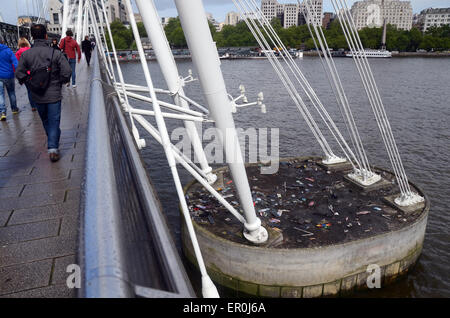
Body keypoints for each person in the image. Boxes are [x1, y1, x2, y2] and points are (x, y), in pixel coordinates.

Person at [16, 24, 71, 162]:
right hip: (53, 93)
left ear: (32, 37)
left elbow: (19, 73)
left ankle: (52, 142)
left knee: (46, 120)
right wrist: (60, 82)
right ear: (46, 36)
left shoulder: (26, 54)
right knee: (54, 121)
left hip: (37, 94)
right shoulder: (55, 53)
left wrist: (29, 83)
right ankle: (52, 147)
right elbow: (67, 72)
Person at [15, 37, 37, 112]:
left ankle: (33, 106)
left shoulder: (18, 53)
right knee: (35, 88)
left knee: (29, 90)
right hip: (33, 72)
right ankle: (38, 102)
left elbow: (17, 64)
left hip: (24, 74)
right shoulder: (31, 51)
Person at [0, 35, 19, 121]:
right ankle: (14, 109)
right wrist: (18, 71)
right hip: (9, 75)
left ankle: (3, 112)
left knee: (0, 95)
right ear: (2, 41)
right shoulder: (8, 50)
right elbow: (15, 62)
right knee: (11, 92)